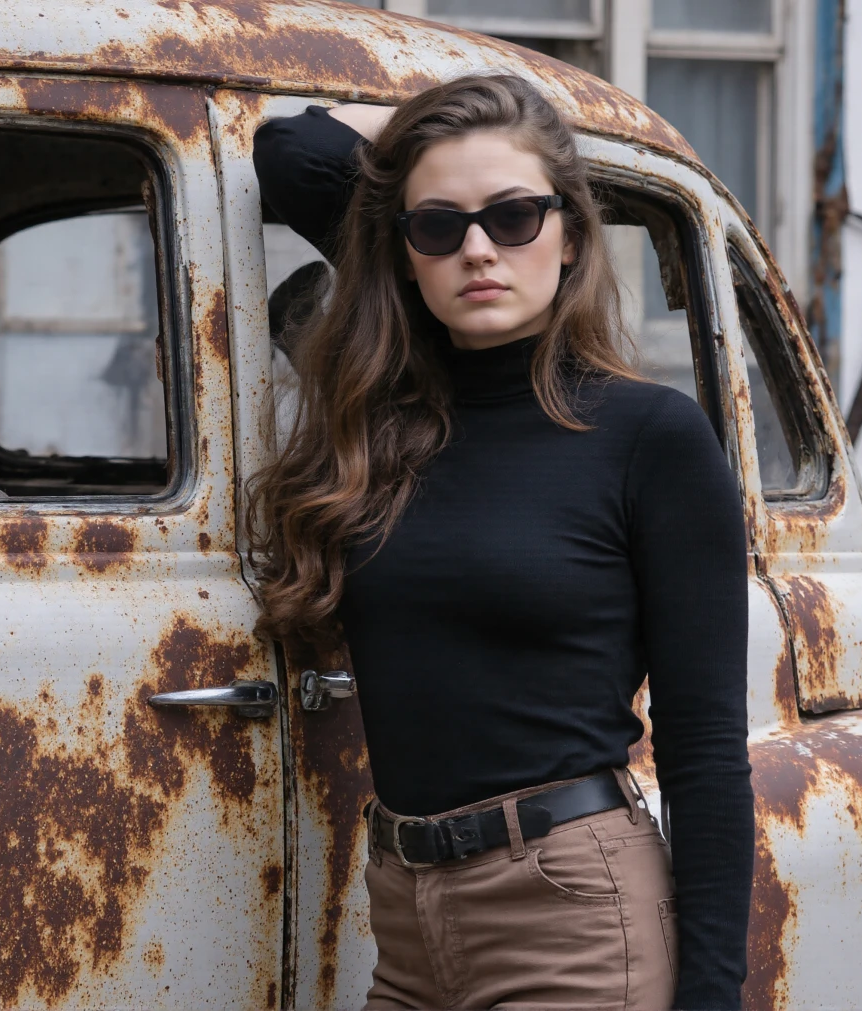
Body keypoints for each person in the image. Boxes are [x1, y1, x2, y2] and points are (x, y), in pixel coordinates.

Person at [248, 74, 753, 1010]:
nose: (477, 248)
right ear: (404, 257)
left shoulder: (651, 438)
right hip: (405, 912)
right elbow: (291, 147)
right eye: (438, 226)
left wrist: (712, 992)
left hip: (571, 912)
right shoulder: (385, 427)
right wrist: (457, 120)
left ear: (569, 237)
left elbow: (706, 746)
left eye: (515, 216)